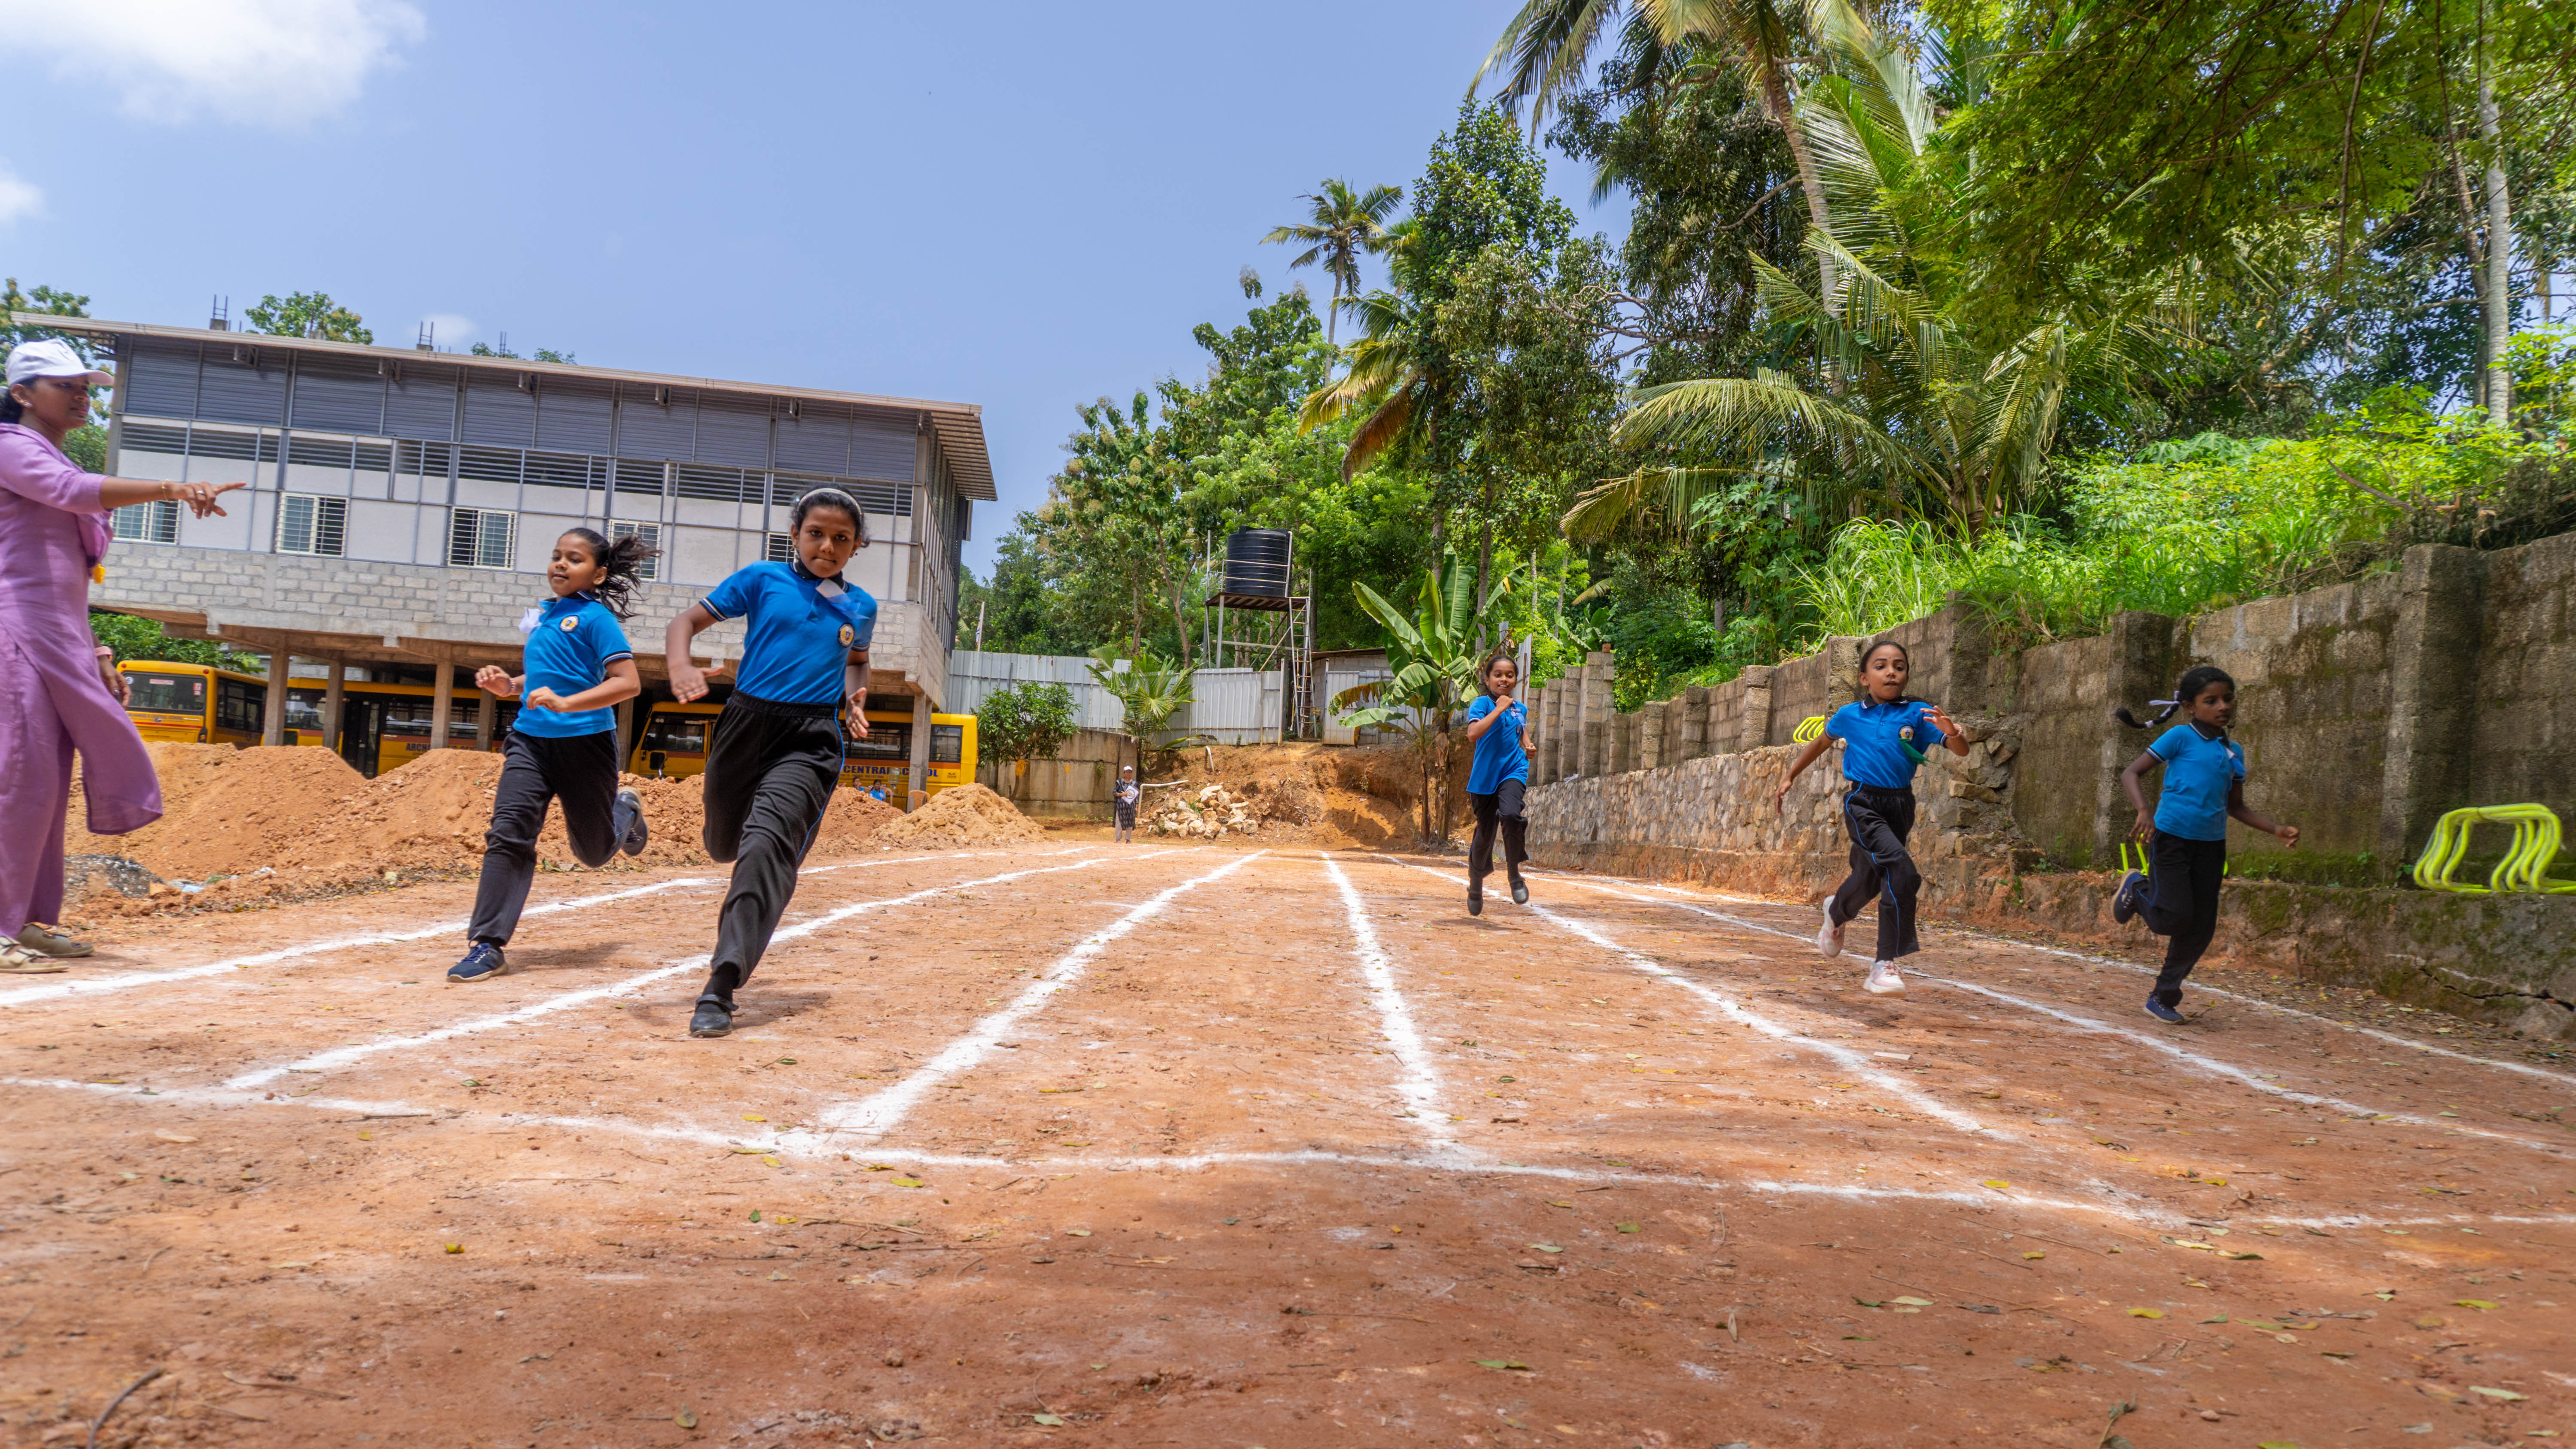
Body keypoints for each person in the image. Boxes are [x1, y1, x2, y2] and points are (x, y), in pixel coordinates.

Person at [1, 340, 241, 974]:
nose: (82, 396)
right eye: (66, 385)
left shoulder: (51, 453)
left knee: (46, 787)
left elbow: (69, 574)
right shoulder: (10, 447)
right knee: (18, 779)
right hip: (16, 635)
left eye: (86, 386)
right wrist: (171, 488)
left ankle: (25, 920)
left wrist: (100, 650)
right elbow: (73, 491)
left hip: (60, 639)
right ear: (22, 394)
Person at [664, 487, 877, 1038]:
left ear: (856, 546)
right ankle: (744, 856)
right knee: (724, 844)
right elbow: (684, 623)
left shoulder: (861, 606)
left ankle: (721, 984)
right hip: (745, 723)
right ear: (795, 534)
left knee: (764, 847)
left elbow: (857, 660)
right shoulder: (762, 579)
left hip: (810, 739)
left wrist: (856, 697)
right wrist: (681, 666)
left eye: (841, 538)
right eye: (816, 534)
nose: (827, 546)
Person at [447, 529, 656, 983]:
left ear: (598, 574)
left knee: (594, 853)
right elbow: (550, 673)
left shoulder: (596, 619)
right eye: (557, 555)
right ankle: (487, 945)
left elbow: (628, 683)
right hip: (530, 741)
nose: (561, 564)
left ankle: (625, 809)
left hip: (586, 745)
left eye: (575, 559)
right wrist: (509, 686)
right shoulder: (546, 616)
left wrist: (567, 704)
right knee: (509, 833)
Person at [1774, 639, 1970, 994]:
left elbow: (1961, 750)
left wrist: (1951, 731)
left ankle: (1836, 912)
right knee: (1901, 871)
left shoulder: (1919, 713)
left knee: (1869, 880)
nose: (1891, 672)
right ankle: (1884, 964)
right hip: (1863, 802)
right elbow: (1820, 743)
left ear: (1906, 676)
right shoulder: (1850, 715)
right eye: (1881, 666)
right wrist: (1790, 775)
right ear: (1865, 678)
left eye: (1899, 666)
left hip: (1900, 805)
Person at [2112, 665, 2300, 1024]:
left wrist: (2275, 829)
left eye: (2228, 699)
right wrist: (2144, 811)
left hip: (2211, 847)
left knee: (2201, 928)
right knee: (2173, 917)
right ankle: (2136, 888)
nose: (2223, 706)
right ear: (2189, 706)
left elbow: (2235, 806)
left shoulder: (2233, 751)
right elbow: (2131, 772)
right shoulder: (2180, 737)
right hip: (2172, 839)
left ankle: (2163, 997)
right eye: (2211, 701)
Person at [1461, 649, 1535, 915]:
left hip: (1513, 770)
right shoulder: (1481, 704)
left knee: (1512, 815)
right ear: (1488, 679)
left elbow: (1521, 731)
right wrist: (1499, 708)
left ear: (1515, 679)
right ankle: (1475, 883)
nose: (1504, 679)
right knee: (1485, 835)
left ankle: (1515, 874)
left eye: (1510, 675)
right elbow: (1473, 734)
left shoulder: (1520, 708)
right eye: (1498, 675)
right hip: (1484, 778)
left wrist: (1528, 746)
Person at [1113, 765, 1140, 843]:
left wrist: (1137, 806)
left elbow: (1136, 795)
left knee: (1130, 821)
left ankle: (1128, 839)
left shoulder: (1135, 783)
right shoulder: (1119, 782)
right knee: (1119, 821)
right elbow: (1115, 793)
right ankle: (1118, 839)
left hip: (1131, 805)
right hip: (1121, 805)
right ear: (1124, 773)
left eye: (1130, 772)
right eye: (1127, 772)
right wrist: (1121, 794)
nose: (1128, 773)